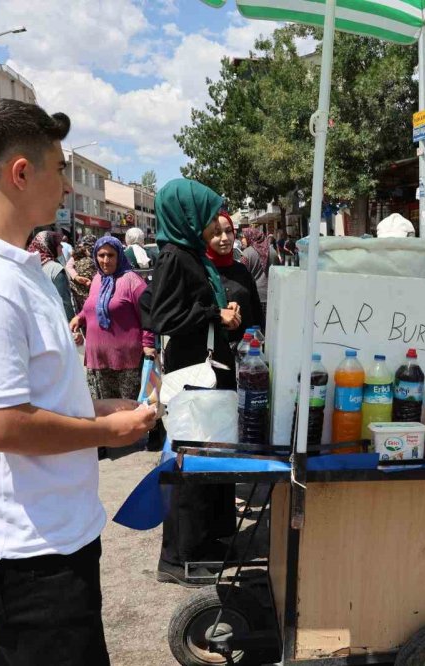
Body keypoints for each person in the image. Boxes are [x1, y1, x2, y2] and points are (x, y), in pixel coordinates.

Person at [0, 98, 156, 665]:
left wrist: (102, 407)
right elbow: (3, 426)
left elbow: (38, 393)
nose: (63, 183)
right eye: (58, 168)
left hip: (43, 540)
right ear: (21, 173)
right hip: (27, 554)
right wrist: (108, 432)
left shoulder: (15, 270)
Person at [143, 178, 244, 585]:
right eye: (205, 215)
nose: (212, 224)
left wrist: (223, 312)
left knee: (211, 458)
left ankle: (207, 541)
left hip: (209, 371)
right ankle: (180, 557)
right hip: (193, 375)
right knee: (191, 464)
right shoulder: (173, 257)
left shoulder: (191, 255)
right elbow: (162, 317)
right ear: (187, 216)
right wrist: (211, 315)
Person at [70, 236, 155, 401]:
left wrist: (149, 344)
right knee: (105, 413)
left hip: (127, 362)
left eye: (111, 255)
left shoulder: (132, 281)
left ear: (119, 256)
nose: (105, 260)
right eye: (101, 255)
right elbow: (93, 305)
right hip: (98, 359)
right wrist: (79, 317)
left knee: (129, 414)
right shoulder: (97, 279)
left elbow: (148, 314)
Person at [207, 211, 264, 341]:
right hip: (212, 355)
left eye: (228, 231)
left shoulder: (242, 271)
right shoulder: (199, 271)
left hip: (246, 354)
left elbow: (256, 313)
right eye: (217, 233)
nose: (225, 238)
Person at [27, 229, 74, 321]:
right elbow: (65, 302)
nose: (62, 247)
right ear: (49, 246)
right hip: (56, 321)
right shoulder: (55, 268)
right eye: (58, 244)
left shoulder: (29, 266)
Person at [240, 226, 270, 320]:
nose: (242, 240)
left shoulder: (246, 254)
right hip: (272, 295)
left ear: (251, 237)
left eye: (244, 237)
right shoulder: (271, 251)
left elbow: (242, 277)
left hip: (256, 297)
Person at [67, 233, 98, 313]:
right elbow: (68, 266)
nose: (89, 248)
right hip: (80, 289)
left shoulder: (98, 253)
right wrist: (77, 277)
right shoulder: (79, 254)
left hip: (93, 287)